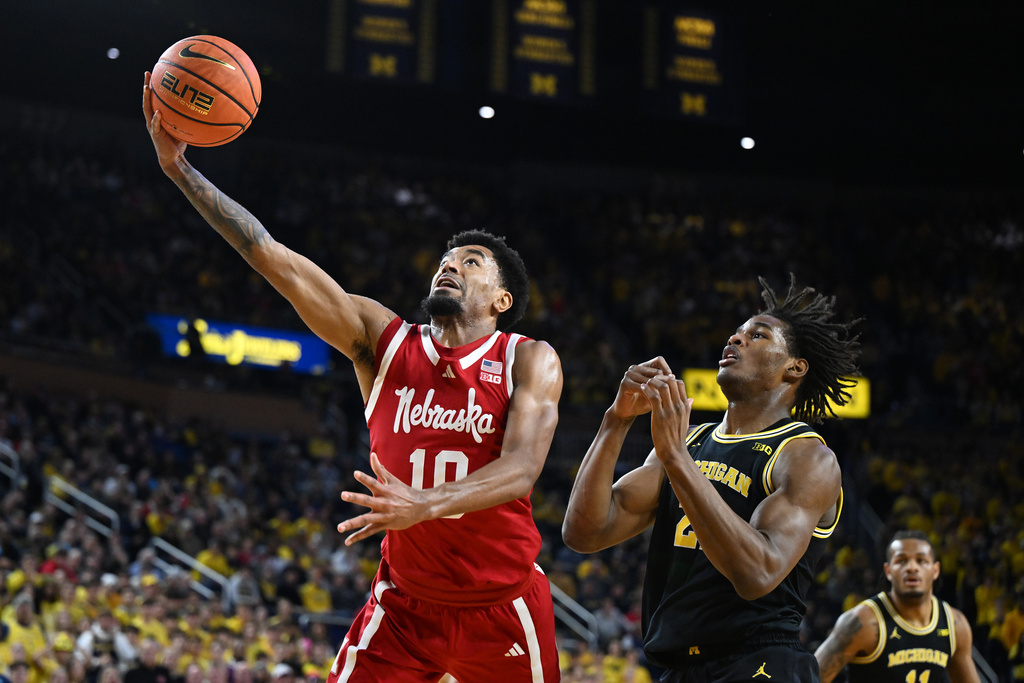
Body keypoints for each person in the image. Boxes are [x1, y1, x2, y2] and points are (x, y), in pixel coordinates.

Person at [143, 73, 564, 683]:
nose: (450, 267)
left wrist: (425, 504)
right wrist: (180, 170)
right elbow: (272, 258)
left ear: (501, 299)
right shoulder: (383, 341)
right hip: (403, 606)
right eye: (446, 261)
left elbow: (523, 468)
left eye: (470, 263)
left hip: (502, 603)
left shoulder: (529, 358)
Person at [562, 276, 860, 682]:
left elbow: (759, 573)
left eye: (757, 335)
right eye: (736, 334)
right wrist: (616, 422)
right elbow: (585, 532)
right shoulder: (690, 441)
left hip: (760, 663)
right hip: (679, 666)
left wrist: (676, 459)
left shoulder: (805, 456)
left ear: (795, 367)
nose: (735, 340)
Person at [814, 531, 980, 683]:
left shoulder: (955, 624)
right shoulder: (863, 622)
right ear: (888, 571)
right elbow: (809, 677)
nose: (912, 567)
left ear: (935, 570)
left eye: (921, 560)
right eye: (901, 561)